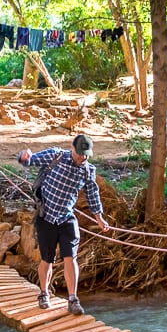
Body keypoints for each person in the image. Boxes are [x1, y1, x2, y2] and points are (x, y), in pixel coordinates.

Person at [17, 134, 110, 315]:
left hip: (67, 219)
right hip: (46, 218)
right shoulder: (55, 155)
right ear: (72, 148)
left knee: (70, 258)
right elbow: (29, 162)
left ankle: (73, 299)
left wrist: (99, 218)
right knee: (47, 260)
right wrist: (24, 155)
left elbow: (92, 195)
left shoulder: (88, 170)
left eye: (86, 154)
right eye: (79, 153)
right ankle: (44, 294)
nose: (82, 158)